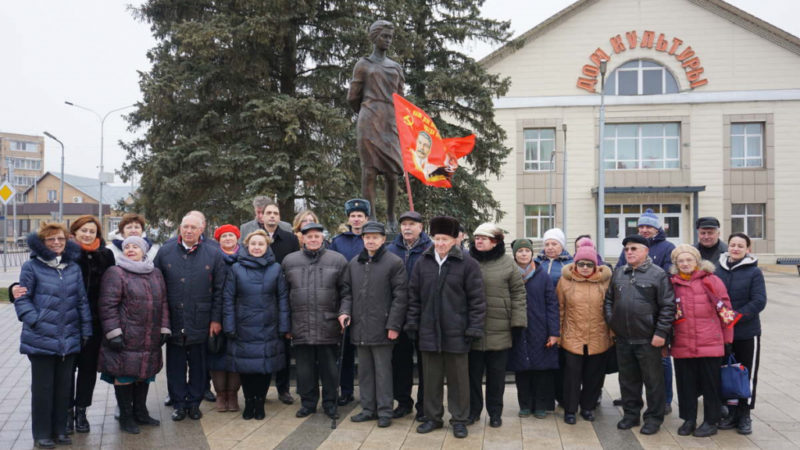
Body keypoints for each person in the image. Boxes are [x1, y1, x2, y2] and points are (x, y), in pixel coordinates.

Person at [405, 216, 486, 439]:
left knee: (459, 380)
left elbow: (477, 300)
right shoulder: (424, 261)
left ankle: (459, 419)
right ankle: (432, 417)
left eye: (445, 239)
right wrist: (412, 322)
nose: (440, 243)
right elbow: (414, 296)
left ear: (455, 239)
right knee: (430, 379)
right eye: (437, 238)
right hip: (428, 331)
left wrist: (474, 327)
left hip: (457, 332)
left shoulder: (468, 264)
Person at [14, 223, 91, 449]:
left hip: (68, 338)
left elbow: (81, 301)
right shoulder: (31, 267)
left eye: (60, 239)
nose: (56, 243)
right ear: (42, 243)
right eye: (51, 240)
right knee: (43, 390)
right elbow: (22, 298)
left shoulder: (72, 268)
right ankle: (41, 433)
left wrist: (86, 329)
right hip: (40, 339)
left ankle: (59, 430)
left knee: (63, 388)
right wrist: (35, 320)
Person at [155, 212, 226, 421]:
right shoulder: (165, 252)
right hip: (174, 319)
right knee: (175, 366)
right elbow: (156, 287)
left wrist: (215, 319)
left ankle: (194, 403)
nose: (188, 231)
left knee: (198, 366)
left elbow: (220, 290)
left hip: (201, 320)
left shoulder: (213, 253)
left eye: (193, 227)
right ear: (180, 227)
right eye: (185, 226)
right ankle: (178, 403)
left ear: (201, 229)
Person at [339, 221, 408, 428]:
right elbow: (347, 292)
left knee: (383, 372)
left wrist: (394, 325)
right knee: (366, 372)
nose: (370, 240)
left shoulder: (394, 262)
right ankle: (368, 409)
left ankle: (385, 411)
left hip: (383, 328)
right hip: (360, 326)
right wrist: (344, 312)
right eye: (367, 237)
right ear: (362, 239)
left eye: (375, 237)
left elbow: (400, 297)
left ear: (383, 239)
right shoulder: (354, 263)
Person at [98, 236, 170, 434]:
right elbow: (107, 305)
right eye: (127, 247)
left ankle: (141, 412)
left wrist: (164, 328)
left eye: (135, 247)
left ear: (144, 251)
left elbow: (163, 302)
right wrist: (113, 333)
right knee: (124, 374)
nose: (130, 250)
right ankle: (126, 416)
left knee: (144, 374)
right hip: (125, 335)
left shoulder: (155, 273)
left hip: (149, 335)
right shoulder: (116, 272)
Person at [604, 234, 675, 435]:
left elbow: (668, 306)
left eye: (634, 249)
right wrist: (612, 321)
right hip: (624, 338)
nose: (629, 252)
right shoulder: (619, 273)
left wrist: (661, 332)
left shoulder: (658, 274)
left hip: (648, 339)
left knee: (653, 381)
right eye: (626, 249)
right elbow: (609, 301)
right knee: (628, 380)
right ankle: (631, 414)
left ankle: (653, 418)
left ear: (646, 251)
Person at [282, 223, 348, 419]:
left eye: (316, 236)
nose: (312, 239)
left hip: (328, 324)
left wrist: (344, 313)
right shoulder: (289, 261)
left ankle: (330, 403)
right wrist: (286, 324)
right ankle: (308, 403)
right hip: (300, 324)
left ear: (323, 238)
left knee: (329, 369)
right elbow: (283, 295)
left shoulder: (337, 260)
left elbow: (346, 292)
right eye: (308, 236)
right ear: (302, 239)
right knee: (304, 370)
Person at [223, 230, 289, 420]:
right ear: (247, 246)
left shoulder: (275, 268)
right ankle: (249, 401)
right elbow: (228, 298)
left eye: (261, 244)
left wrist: (284, 326)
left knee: (264, 368)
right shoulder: (236, 268)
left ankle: (260, 401)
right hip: (243, 326)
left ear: (267, 247)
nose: (257, 247)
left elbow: (283, 298)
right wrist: (229, 325)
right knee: (246, 368)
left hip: (269, 326)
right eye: (253, 244)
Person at [614, 209, 676, 413]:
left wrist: (661, 331)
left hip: (652, 323)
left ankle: (663, 402)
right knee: (630, 372)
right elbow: (614, 285)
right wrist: (613, 321)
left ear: (657, 228)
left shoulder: (667, 248)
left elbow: (668, 282)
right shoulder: (629, 251)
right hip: (628, 328)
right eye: (642, 226)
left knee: (659, 368)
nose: (645, 229)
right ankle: (632, 404)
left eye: (649, 226)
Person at [668, 245, 733, 438]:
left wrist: (727, 340)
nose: (685, 264)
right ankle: (688, 419)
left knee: (710, 384)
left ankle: (711, 420)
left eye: (689, 260)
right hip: (682, 342)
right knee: (685, 384)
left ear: (697, 261)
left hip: (709, 342)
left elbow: (726, 310)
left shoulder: (712, 281)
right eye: (681, 261)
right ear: (676, 264)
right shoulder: (672, 283)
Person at [467, 223, 527, 428]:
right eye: (477, 238)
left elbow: (519, 293)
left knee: (496, 377)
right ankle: (473, 411)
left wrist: (518, 322)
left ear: (496, 242)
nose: (479, 241)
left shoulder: (507, 264)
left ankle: (495, 413)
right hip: (472, 330)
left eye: (484, 238)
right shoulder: (466, 261)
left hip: (500, 330)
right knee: (472, 376)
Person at [347, 19, 404, 231]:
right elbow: (353, 96)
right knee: (369, 171)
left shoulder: (396, 67)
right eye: (384, 36)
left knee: (392, 172)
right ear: (374, 37)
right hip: (369, 118)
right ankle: (370, 218)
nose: (388, 40)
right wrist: (367, 111)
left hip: (390, 121)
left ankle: (391, 218)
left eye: (390, 37)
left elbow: (401, 98)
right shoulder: (363, 65)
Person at [715, 232, 767, 435]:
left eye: (740, 246)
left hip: (745, 331)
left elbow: (759, 301)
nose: (735, 248)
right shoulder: (718, 269)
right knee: (725, 372)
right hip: (721, 333)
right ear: (727, 246)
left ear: (748, 249)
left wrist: (735, 316)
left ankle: (744, 413)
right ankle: (731, 412)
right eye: (732, 245)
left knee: (743, 373)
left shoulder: (754, 272)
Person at [557, 238, 612, 424]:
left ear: (596, 265)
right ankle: (570, 409)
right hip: (572, 336)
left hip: (599, 336)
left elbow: (611, 310)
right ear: (575, 264)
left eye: (590, 264)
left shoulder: (605, 283)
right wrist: (558, 333)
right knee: (571, 376)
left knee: (593, 375)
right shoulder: (565, 281)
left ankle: (587, 407)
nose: (586, 268)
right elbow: (560, 309)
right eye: (581, 264)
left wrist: (612, 334)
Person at [386, 211, 431, 421]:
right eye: (404, 224)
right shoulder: (390, 250)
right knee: (400, 363)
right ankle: (403, 402)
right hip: (399, 316)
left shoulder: (430, 249)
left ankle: (424, 405)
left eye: (412, 224)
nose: (407, 228)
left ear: (421, 227)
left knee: (426, 365)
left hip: (424, 316)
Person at [508, 239, 559, 420]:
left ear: (532, 253)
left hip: (540, 328)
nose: (523, 254)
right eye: (520, 251)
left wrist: (554, 332)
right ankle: (525, 405)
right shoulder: (510, 274)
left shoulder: (542, 275)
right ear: (514, 254)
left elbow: (552, 304)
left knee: (541, 370)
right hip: (518, 328)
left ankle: (540, 405)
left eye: (526, 251)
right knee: (522, 369)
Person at [328, 198, 370, 405]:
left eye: (360, 216)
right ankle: (345, 391)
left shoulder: (372, 238)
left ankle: (369, 394)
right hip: (344, 300)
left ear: (366, 218)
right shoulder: (338, 241)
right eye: (353, 216)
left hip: (367, 302)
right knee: (344, 353)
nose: (356, 219)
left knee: (366, 354)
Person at [209, 224, 242, 412]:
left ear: (237, 238)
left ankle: (233, 394)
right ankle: (221, 394)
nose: (228, 238)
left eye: (231, 235)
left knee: (236, 357)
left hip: (239, 315)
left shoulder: (245, 257)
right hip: (217, 313)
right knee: (217, 355)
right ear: (218, 240)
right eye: (224, 236)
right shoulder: (213, 258)